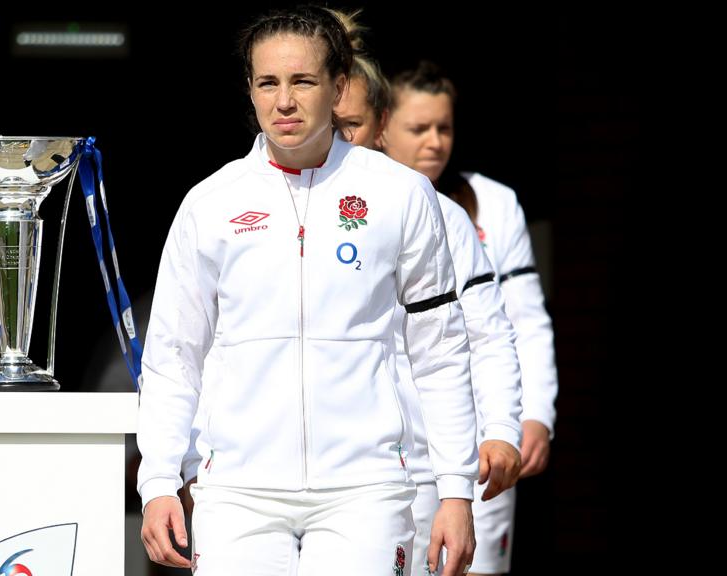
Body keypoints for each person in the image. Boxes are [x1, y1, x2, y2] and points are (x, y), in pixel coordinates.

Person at [137, 6, 479, 576]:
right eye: (268, 83)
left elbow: (440, 349)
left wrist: (455, 489)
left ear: (339, 86)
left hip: (366, 487)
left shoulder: (401, 194)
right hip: (238, 489)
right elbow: (174, 354)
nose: (285, 101)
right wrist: (159, 481)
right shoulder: (210, 202)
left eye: (303, 81)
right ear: (249, 91)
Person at [332, 13, 525, 575]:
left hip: (422, 468)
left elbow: (491, 334)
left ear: (381, 124)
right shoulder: (266, 216)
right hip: (306, 482)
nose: (341, 138)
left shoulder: (440, 215)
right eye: (332, 124)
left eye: (353, 124)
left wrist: (502, 429)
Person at [379, 60, 559, 575]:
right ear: (383, 126)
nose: (434, 141)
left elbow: (523, 320)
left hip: (480, 438)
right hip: (392, 447)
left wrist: (534, 415)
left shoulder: (495, 204)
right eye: (419, 128)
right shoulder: (358, 203)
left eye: (444, 127)